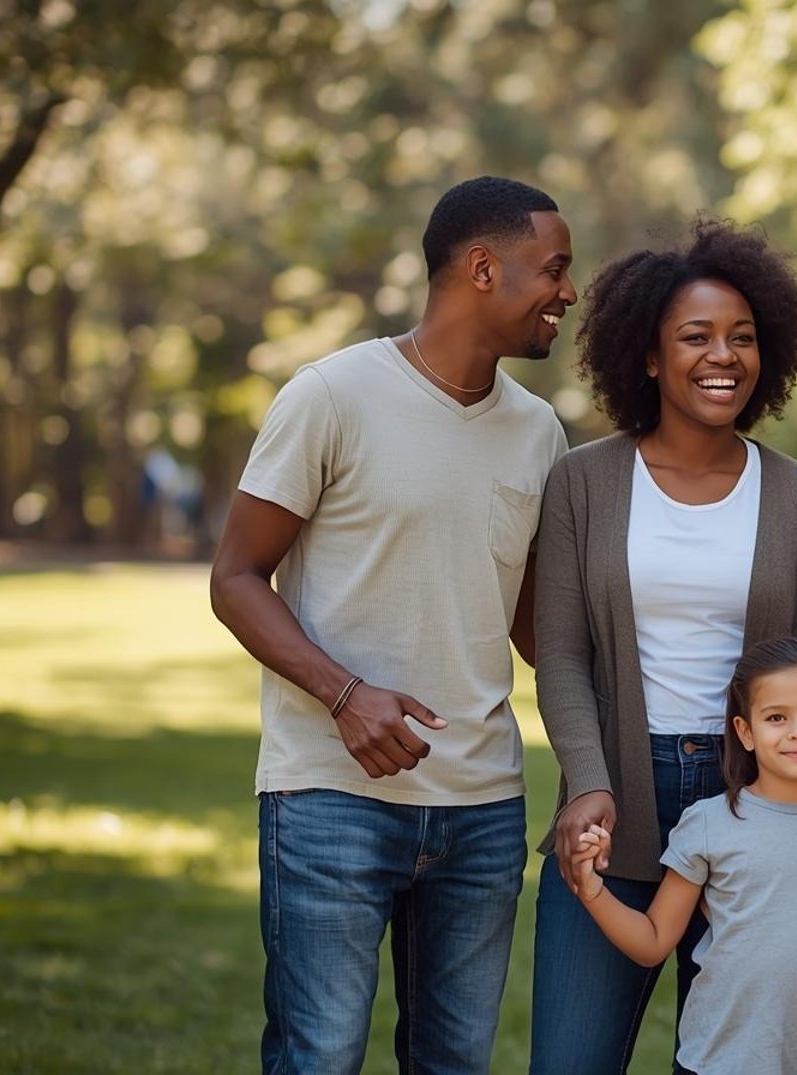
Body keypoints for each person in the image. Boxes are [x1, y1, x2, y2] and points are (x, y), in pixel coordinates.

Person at [530, 217, 797, 1073]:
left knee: (745, 1058)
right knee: (569, 1058)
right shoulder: (582, 482)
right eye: (696, 336)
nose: (725, 355)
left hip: (765, 807)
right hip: (618, 798)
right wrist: (589, 784)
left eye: (743, 336)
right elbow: (560, 653)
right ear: (646, 355)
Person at [208, 176, 574, 1074]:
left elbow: (536, 628)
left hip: (483, 810)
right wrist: (344, 694)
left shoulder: (540, 434)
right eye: (555, 269)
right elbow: (235, 577)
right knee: (319, 1057)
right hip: (331, 797)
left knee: (453, 1062)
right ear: (483, 268)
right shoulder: (331, 395)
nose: (569, 292)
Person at [570, 637, 797, 1074]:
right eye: (776, 718)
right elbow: (652, 942)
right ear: (745, 731)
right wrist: (590, 888)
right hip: (721, 1060)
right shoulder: (710, 823)